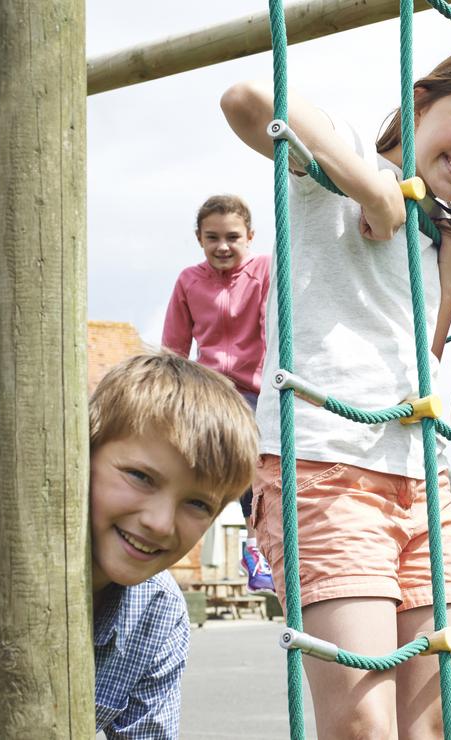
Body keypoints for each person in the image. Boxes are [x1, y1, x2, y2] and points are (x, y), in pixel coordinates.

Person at [220, 45, 451, 739]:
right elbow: (247, 99)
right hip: (324, 467)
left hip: (419, 485)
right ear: (423, 100)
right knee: (363, 724)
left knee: (440, 724)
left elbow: (417, 367)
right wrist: (370, 190)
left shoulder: (440, 238)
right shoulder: (340, 172)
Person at [0, 352, 259, 739]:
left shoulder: (158, 614)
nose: (159, 523)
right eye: (141, 477)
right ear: (81, 454)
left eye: (198, 503)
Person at [162, 193, 275, 592]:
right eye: (212, 237)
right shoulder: (189, 281)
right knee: (193, 460)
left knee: (259, 459)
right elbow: (174, 347)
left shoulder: (264, 270)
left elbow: (274, 325)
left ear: (250, 237)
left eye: (232, 236)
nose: (223, 246)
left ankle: (256, 545)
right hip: (210, 389)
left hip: (259, 390)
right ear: (199, 238)